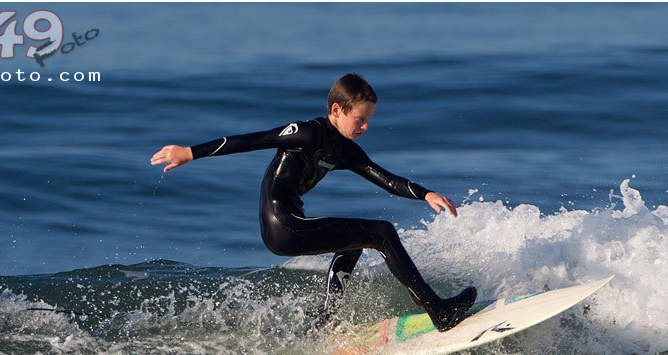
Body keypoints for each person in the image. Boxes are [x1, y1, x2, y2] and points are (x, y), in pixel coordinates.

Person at [150, 72, 476, 332]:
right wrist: (189, 153)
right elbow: (251, 140)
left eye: (369, 120)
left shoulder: (344, 149)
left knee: (355, 242)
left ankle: (325, 320)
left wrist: (426, 194)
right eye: (360, 119)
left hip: (288, 225)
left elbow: (384, 178)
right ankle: (438, 310)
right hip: (284, 224)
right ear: (337, 110)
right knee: (382, 232)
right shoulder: (307, 133)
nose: (365, 126)